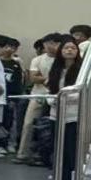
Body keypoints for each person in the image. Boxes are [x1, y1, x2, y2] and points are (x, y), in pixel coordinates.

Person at [16, 33, 61, 163]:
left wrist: (44, 78)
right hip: (38, 94)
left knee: (53, 127)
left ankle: (48, 156)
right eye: (48, 43)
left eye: (54, 43)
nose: (50, 46)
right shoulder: (38, 60)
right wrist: (49, 79)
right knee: (28, 123)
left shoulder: (62, 60)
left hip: (57, 96)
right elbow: (33, 77)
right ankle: (23, 153)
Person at [47, 38, 82, 180]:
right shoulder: (56, 69)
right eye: (66, 48)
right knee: (57, 151)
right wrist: (52, 99)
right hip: (56, 115)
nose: (69, 50)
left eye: (73, 48)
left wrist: (61, 97)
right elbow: (50, 91)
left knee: (70, 152)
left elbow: (80, 93)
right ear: (60, 51)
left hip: (73, 117)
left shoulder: (81, 70)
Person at [0, 36, 24, 154]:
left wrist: (15, 97)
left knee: (8, 121)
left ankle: (5, 144)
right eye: (7, 46)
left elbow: (18, 81)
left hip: (9, 97)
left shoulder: (16, 64)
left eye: (13, 47)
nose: (10, 49)